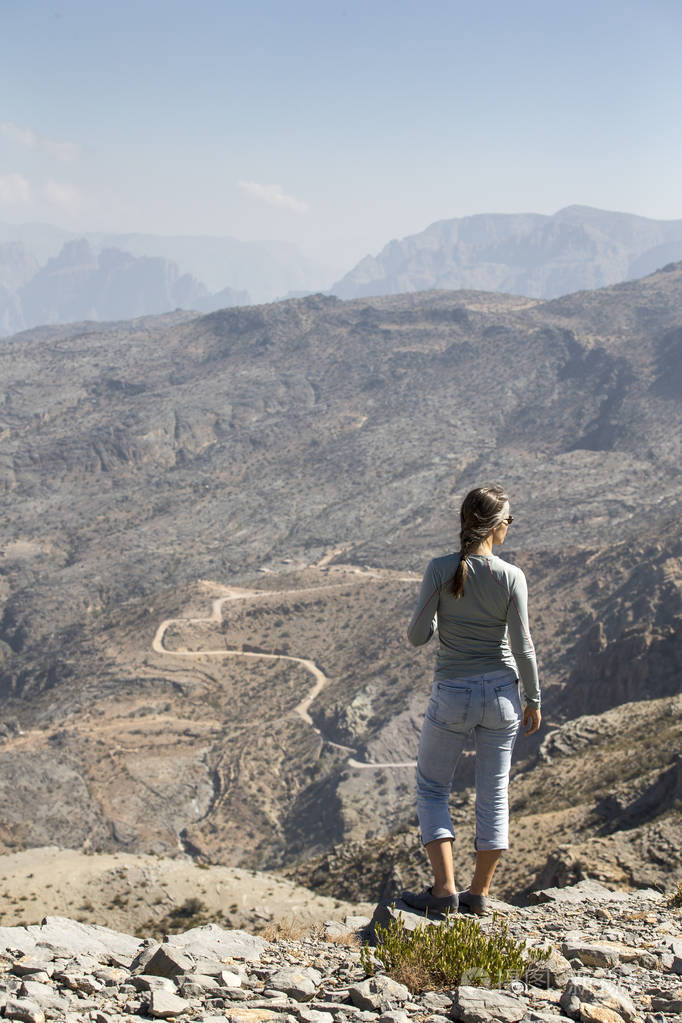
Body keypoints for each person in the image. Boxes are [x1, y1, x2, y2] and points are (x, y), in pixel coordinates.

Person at [401, 484, 541, 916]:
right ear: (496, 526)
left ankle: (444, 891)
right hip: (501, 696)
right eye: (509, 522)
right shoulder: (511, 576)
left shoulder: (441, 569)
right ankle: (478, 895)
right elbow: (524, 647)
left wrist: (445, 619)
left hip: (452, 694)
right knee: (493, 792)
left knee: (432, 787)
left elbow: (416, 636)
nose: (509, 528)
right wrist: (533, 699)